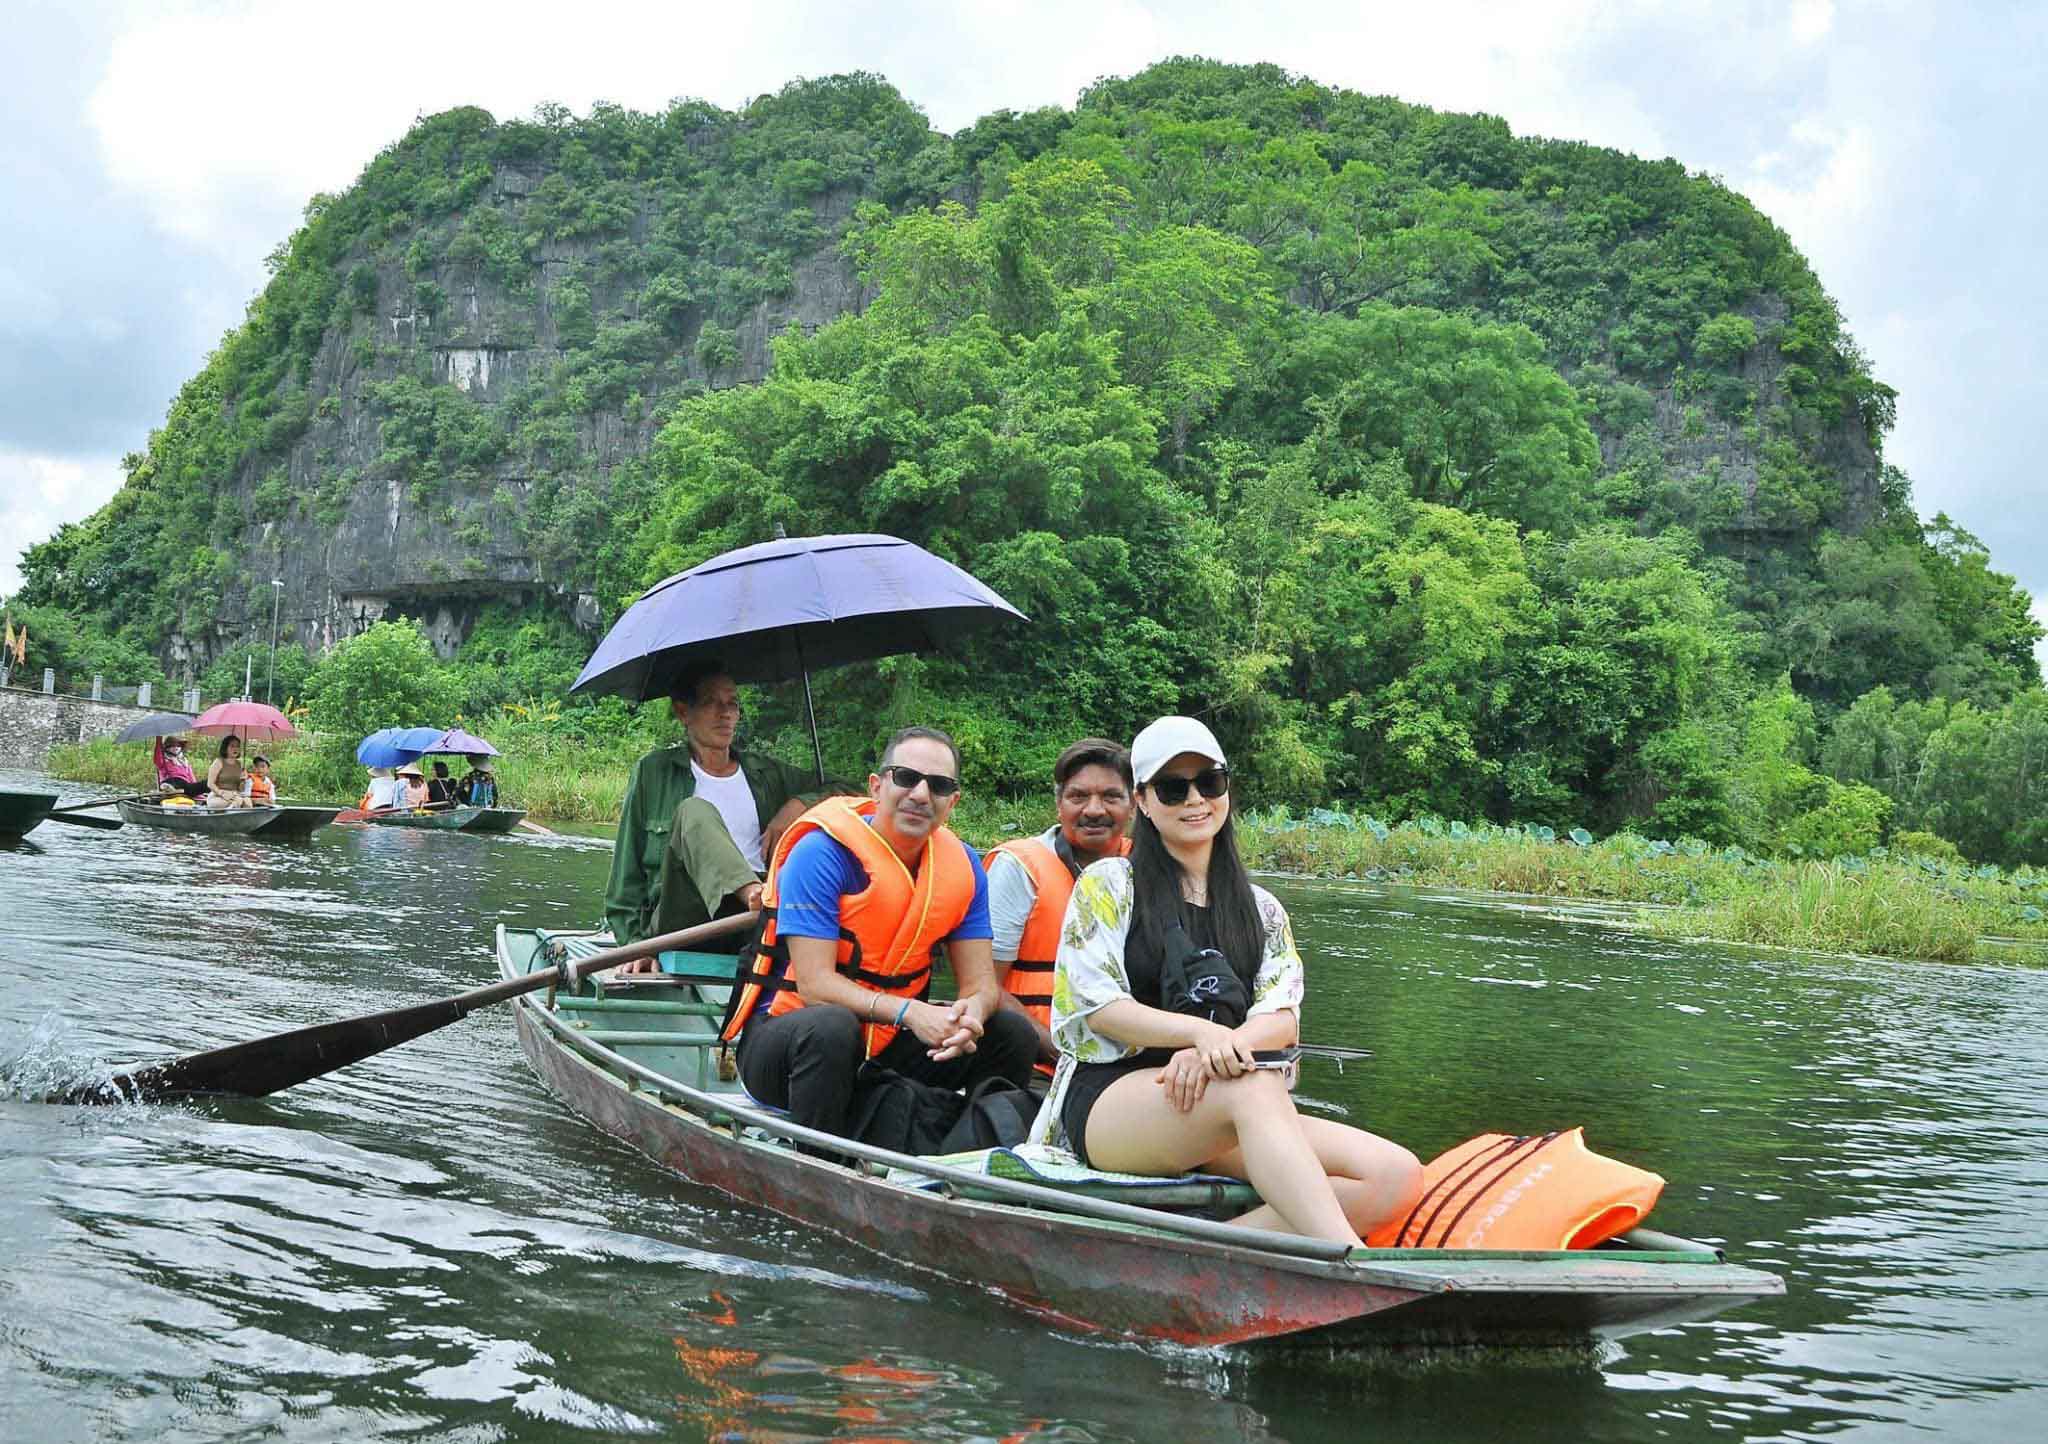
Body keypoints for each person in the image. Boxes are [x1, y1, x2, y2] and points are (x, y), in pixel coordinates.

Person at [1035, 716, 1421, 1246]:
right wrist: (1200, 1035)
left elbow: (1282, 1017)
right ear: (1144, 802)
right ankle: (1350, 1259)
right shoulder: (1110, 884)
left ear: (1226, 790)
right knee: (1254, 1088)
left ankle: (1202, 1255)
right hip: (1111, 1100)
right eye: (1173, 788)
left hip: (1220, 1093)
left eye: (1208, 782)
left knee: (1394, 1175)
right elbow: (1098, 1006)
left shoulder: (1261, 909)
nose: (1195, 799)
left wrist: (1222, 1048)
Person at [719, 726, 1038, 1138]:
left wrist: (969, 1017)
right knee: (832, 1027)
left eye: (938, 786)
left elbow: (981, 986)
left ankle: (973, 1151)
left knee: (1010, 1034)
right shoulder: (821, 853)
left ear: (952, 802)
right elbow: (815, 986)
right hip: (791, 1045)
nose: (921, 795)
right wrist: (911, 1013)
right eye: (906, 777)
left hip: (887, 1045)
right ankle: (820, 1163)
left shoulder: (962, 868)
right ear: (877, 786)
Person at [606, 662, 841, 953]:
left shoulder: (765, 774)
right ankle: (753, 893)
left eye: (733, 703)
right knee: (694, 810)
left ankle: (761, 899)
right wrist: (635, 946)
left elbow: (847, 789)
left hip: (755, 922)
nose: (726, 713)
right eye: (711, 703)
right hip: (686, 918)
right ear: (683, 712)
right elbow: (625, 878)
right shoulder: (654, 772)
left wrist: (796, 806)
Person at [986, 738, 1136, 1080]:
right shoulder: (1019, 867)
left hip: (1127, 1065)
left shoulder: (1150, 869)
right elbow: (984, 985)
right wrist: (1062, 1050)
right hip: (1034, 1061)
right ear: (1059, 805)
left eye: (1111, 797)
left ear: (1134, 806)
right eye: (1078, 797)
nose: (1094, 810)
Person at [205, 737, 248, 808]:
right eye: (232, 746)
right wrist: (222, 793)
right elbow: (210, 784)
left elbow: (241, 789)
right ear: (225, 748)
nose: (235, 749)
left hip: (234, 796)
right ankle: (232, 808)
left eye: (237, 746)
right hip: (218, 796)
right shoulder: (218, 762)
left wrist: (243, 780)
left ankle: (234, 807)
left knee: (247, 802)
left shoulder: (240, 764)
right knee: (238, 802)